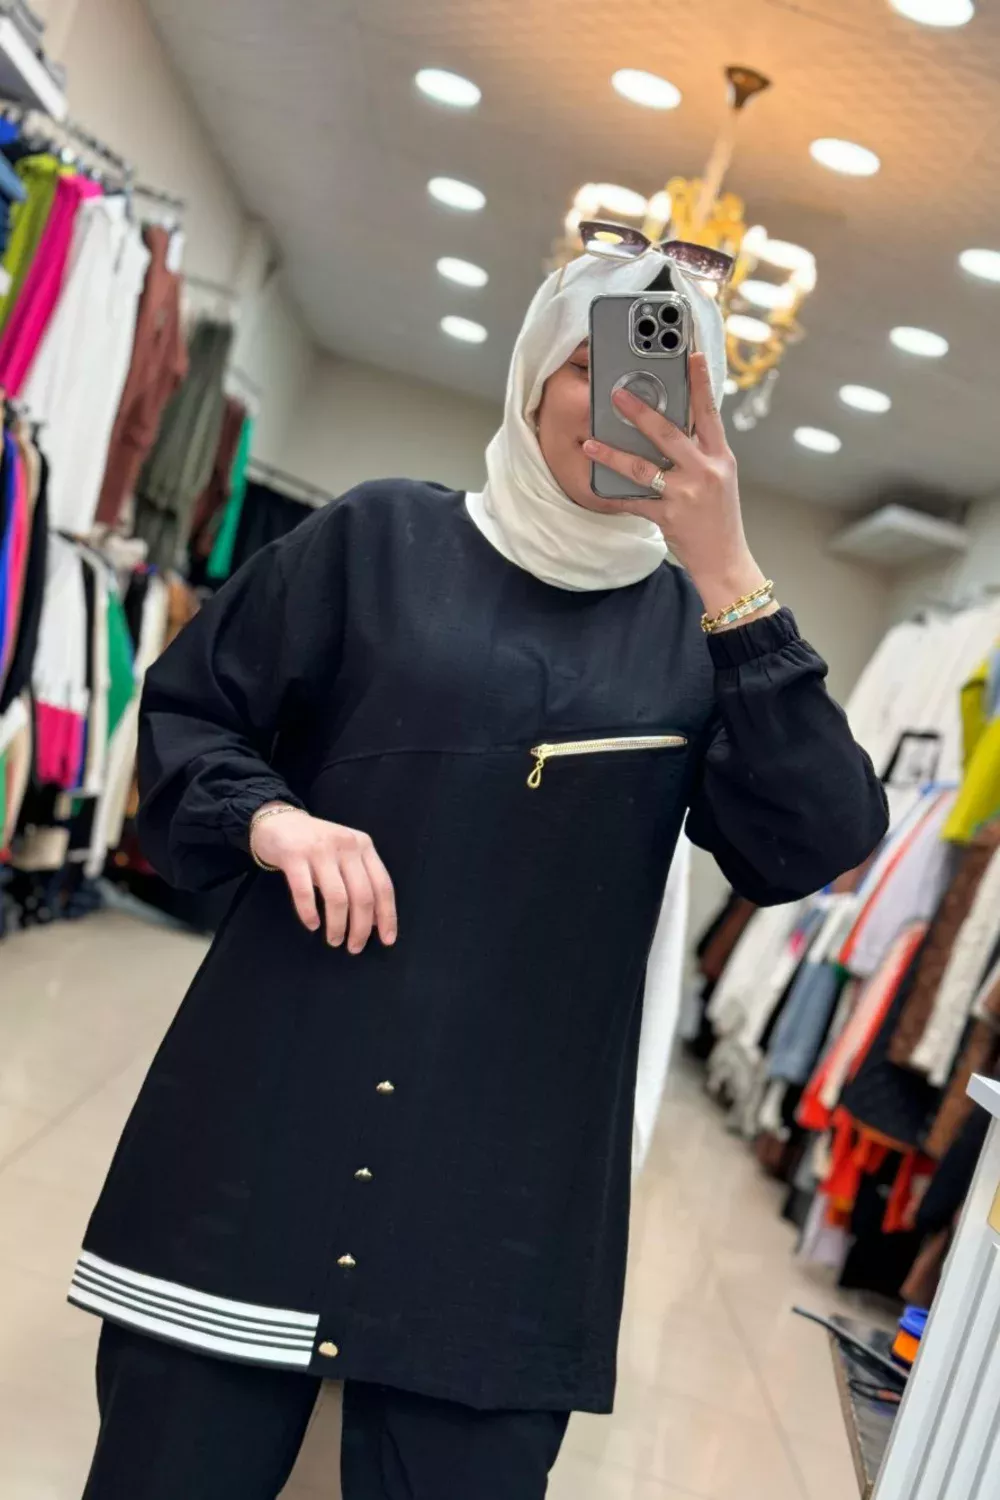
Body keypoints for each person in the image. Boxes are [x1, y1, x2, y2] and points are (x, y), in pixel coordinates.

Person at [73, 244, 888, 1500]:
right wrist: (271, 818)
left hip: (498, 1201)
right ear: (530, 377)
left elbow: (820, 836)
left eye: (671, 385)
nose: (627, 405)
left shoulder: (702, 637)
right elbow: (189, 714)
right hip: (267, 1132)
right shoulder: (378, 541)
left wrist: (728, 570)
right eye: (592, 366)